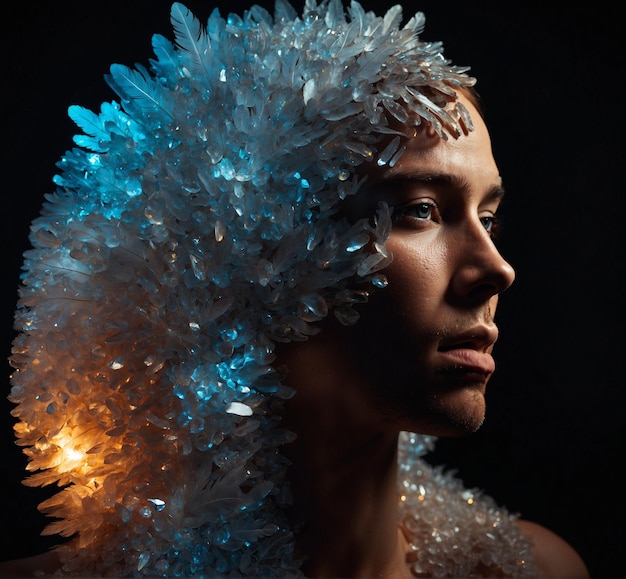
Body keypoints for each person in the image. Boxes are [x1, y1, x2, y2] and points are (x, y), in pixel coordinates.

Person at [0, 1, 589, 577]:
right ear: (253, 253)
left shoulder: (531, 569)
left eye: (487, 218)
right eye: (421, 210)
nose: (496, 269)